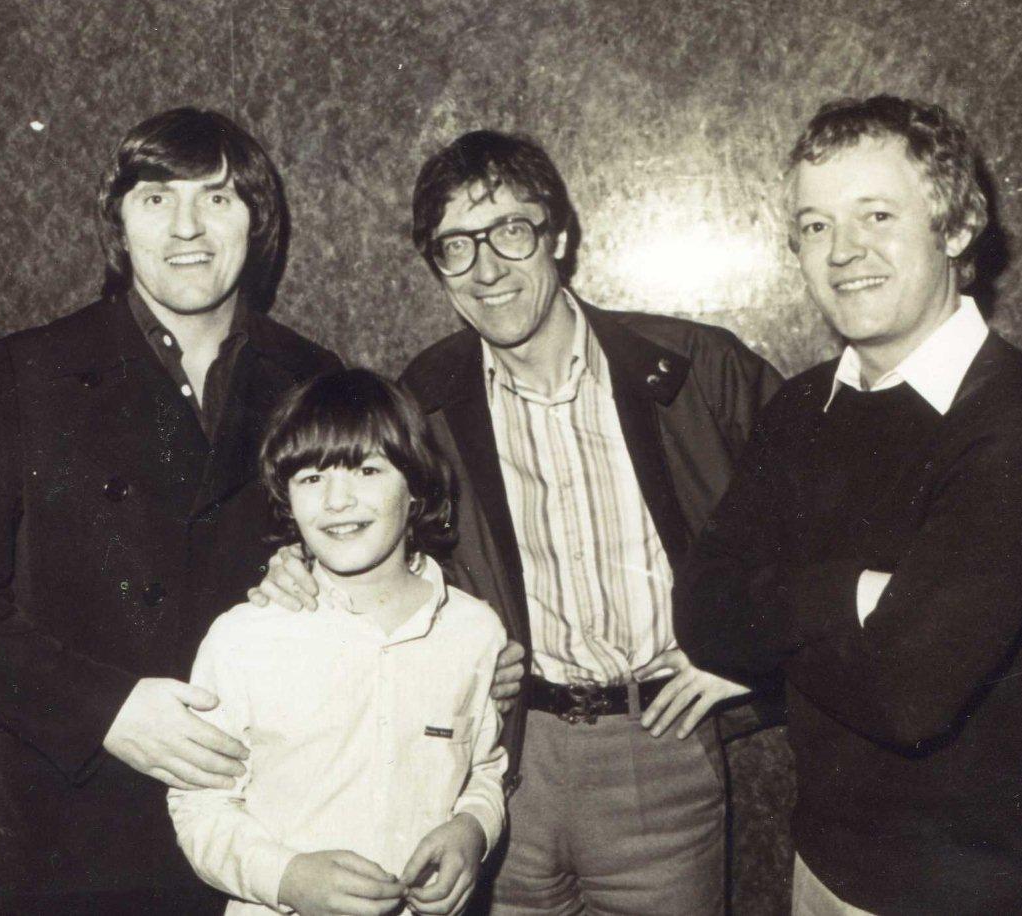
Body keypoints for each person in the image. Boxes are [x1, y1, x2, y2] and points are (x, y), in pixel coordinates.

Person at [259, 130, 782, 914]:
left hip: (659, 752)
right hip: (499, 761)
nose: (487, 269)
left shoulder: (692, 368)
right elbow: (362, 521)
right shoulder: (426, 398)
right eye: (456, 246)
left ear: (558, 235)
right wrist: (298, 566)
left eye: (510, 230)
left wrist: (755, 651)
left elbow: (835, 516)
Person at [0, 107, 342, 915]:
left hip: (269, 823)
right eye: (157, 198)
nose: (187, 228)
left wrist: (316, 572)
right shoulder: (28, 371)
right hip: (81, 832)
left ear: (258, 222)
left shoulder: (313, 377)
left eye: (217, 198)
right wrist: (105, 710)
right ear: (119, 224)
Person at [676, 95, 1022, 914]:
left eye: (876, 215)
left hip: (983, 894)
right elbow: (700, 613)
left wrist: (777, 614)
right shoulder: (801, 407)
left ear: (956, 228)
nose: (844, 251)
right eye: (815, 225)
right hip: (822, 869)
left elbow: (908, 697)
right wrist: (853, 593)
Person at [169, 368, 508, 916]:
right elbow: (199, 806)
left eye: (367, 470)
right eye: (310, 478)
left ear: (416, 487)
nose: (336, 501)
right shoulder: (244, 637)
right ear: (286, 496)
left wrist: (473, 828)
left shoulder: (474, 631)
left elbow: (485, 768)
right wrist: (287, 878)